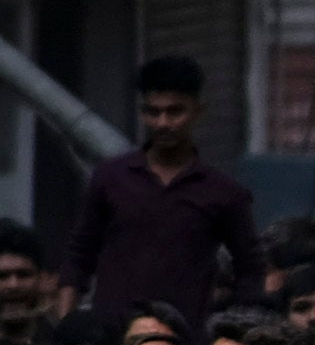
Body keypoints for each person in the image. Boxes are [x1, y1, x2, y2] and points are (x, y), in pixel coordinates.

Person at [57, 53, 264, 328]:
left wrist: (234, 331)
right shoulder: (111, 178)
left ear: (197, 111)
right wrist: (65, 326)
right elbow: (79, 255)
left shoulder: (223, 192)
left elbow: (250, 268)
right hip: (113, 335)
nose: (163, 123)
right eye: (153, 112)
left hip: (185, 339)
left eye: (175, 111)